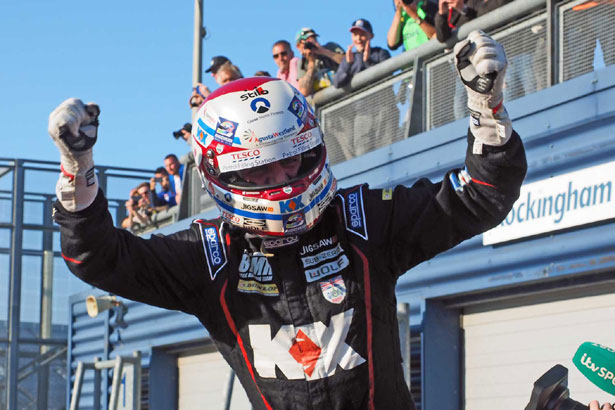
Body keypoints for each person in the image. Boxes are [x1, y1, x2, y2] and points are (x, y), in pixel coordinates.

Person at [50, 32, 532, 409]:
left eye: (295, 156)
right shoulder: (210, 257)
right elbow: (95, 256)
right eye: (261, 165)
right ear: (221, 172)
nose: (284, 175)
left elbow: (481, 197)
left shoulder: (363, 220)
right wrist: (77, 169)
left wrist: (487, 110)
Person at [333, 19, 397, 159]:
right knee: (363, 156)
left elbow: (388, 75)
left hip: (384, 110)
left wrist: (368, 61)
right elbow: (337, 83)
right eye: (355, 34)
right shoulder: (349, 59)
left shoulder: (381, 53)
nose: (358, 38)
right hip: (362, 115)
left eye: (362, 34)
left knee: (388, 153)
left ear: (371, 36)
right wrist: (348, 64)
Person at [295, 27, 344, 98]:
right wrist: (311, 63)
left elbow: (348, 62)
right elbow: (304, 91)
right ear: (298, 46)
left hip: (342, 95)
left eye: (313, 38)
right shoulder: (302, 63)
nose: (310, 43)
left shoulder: (330, 47)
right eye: (306, 41)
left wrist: (322, 51)